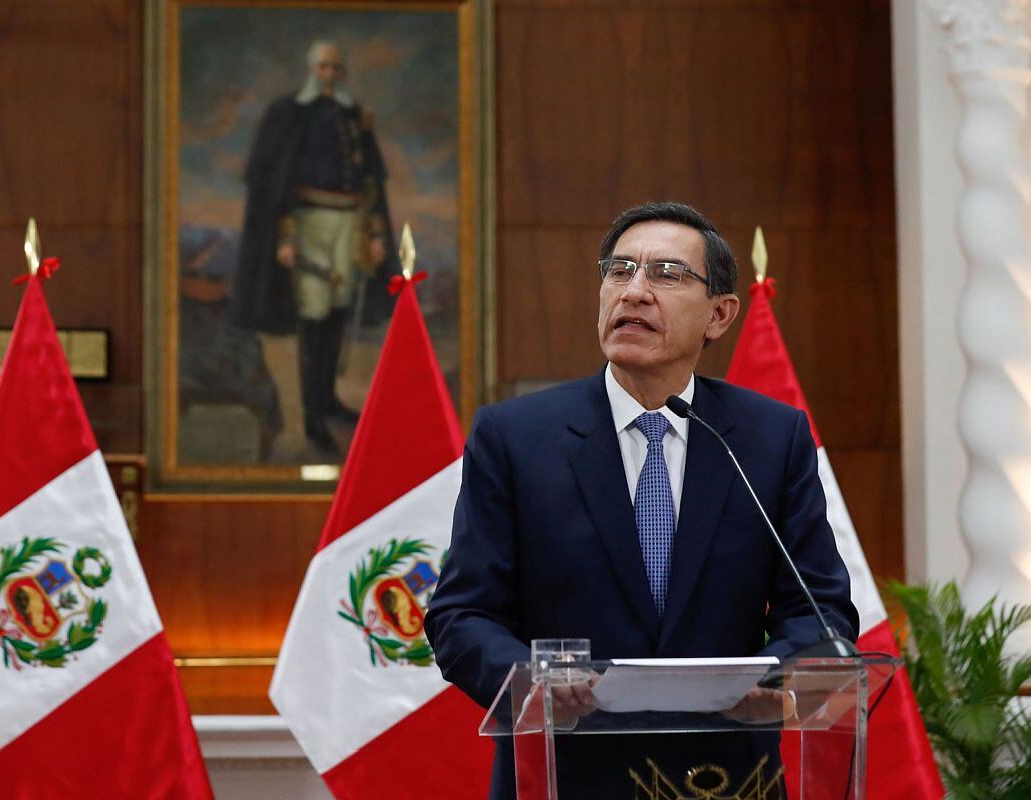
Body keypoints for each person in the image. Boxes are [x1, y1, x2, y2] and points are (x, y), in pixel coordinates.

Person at [425, 202, 858, 798]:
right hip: (566, 775)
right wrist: (531, 683)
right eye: (619, 270)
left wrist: (771, 680)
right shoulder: (516, 438)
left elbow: (820, 610)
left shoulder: (769, 439)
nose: (634, 291)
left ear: (719, 314)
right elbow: (461, 614)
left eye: (666, 274)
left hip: (727, 777)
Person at [231, 40, 399, 455]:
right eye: (323, 67)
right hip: (308, 225)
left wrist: (375, 234)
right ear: (312, 70)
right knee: (313, 316)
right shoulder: (288, 115)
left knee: (337, 314)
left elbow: (370, 182)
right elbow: (276, 184)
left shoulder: (354, 117)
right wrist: (285, 237)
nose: (330, 76)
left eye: (336, 68)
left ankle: (326, 400)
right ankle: (311, 416)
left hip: (350, 226)